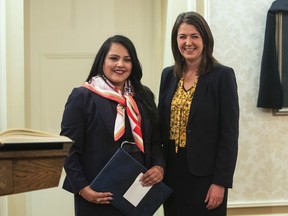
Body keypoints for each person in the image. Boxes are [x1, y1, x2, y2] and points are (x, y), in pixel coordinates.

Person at [60, 35, 165, 216]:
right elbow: (68, 149)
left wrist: (158, 166)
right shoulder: (82, 97)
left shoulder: (143, 95)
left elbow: (155, 140)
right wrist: (83, 189)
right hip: (97, 195)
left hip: (137, 193)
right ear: (102, 61)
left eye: (127, 60)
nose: (120, 65)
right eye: (114, 58)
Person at [158, 11, 239, 216]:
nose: (188, 42)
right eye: (182, 36)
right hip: (171, 173)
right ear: (175, 40)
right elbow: (161, 126)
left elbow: (229, 135)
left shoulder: (222, 76)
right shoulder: (168, 75)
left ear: (205, 39)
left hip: (206, 177)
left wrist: (220, 182)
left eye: (194, 36)